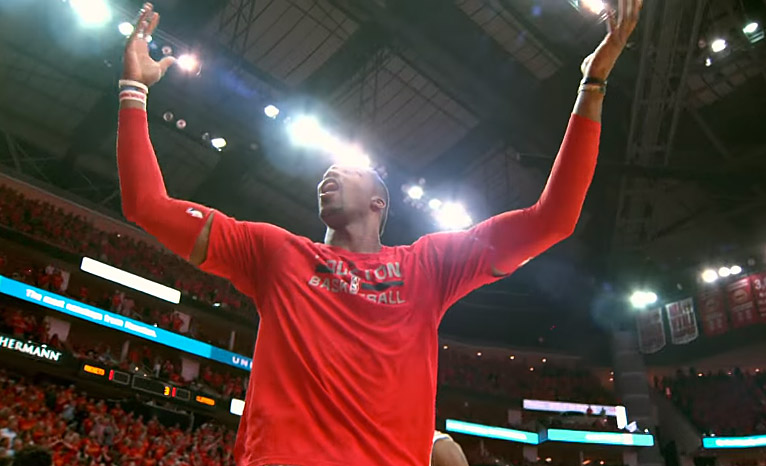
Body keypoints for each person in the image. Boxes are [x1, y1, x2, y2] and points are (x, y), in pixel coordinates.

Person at [115, 2, 642, 465]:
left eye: (347, 168)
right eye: (327, 169)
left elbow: (554, 220)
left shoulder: (428, 265)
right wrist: (133, 90)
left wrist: (590, 85)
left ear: (378, 201)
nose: (329, 171)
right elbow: (147, 205)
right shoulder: (274, 251)